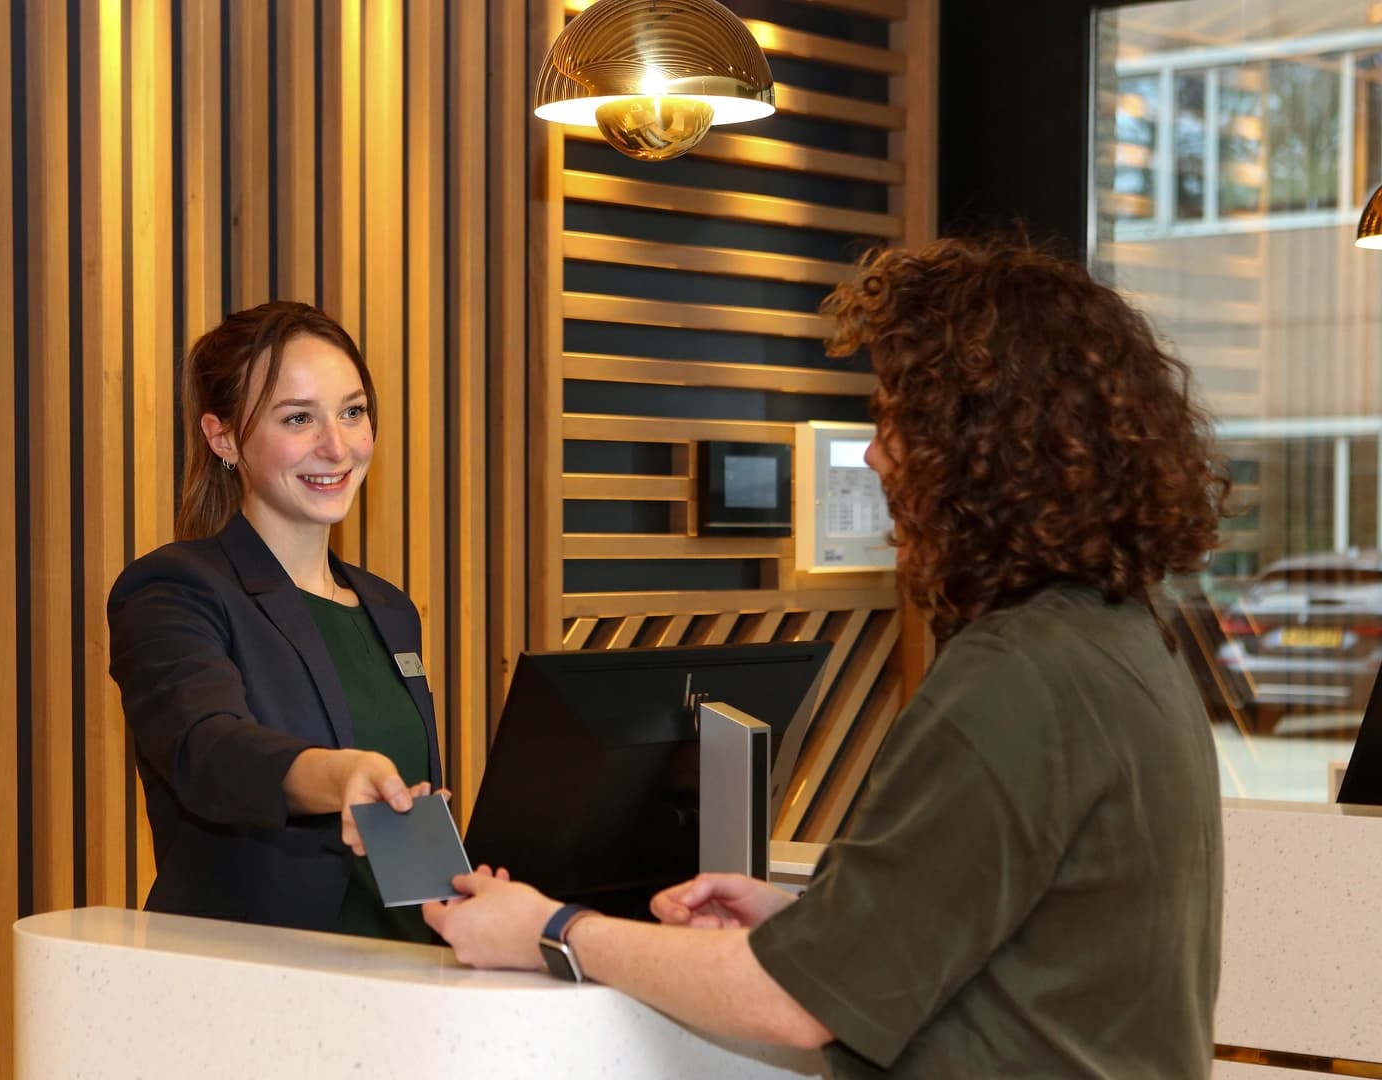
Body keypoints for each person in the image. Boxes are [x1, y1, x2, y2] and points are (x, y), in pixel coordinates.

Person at [424, 236, 1232, 1076]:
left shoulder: (1015, 678)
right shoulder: (1127, 638)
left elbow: (793, 1004)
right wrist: (811, 922)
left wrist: (551, 930)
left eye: (893, 421)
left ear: (980, 446)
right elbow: (1029, 933)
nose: (877, 455)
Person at [108, 300, 441, 941]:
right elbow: (208, 751)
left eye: (352, 412)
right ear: (224, 437)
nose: (337, 446)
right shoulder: (175, 589)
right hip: (257, 992)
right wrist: (336, 773)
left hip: (409, 985)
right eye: (298, 418)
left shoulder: (390, 609)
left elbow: (402, 810)